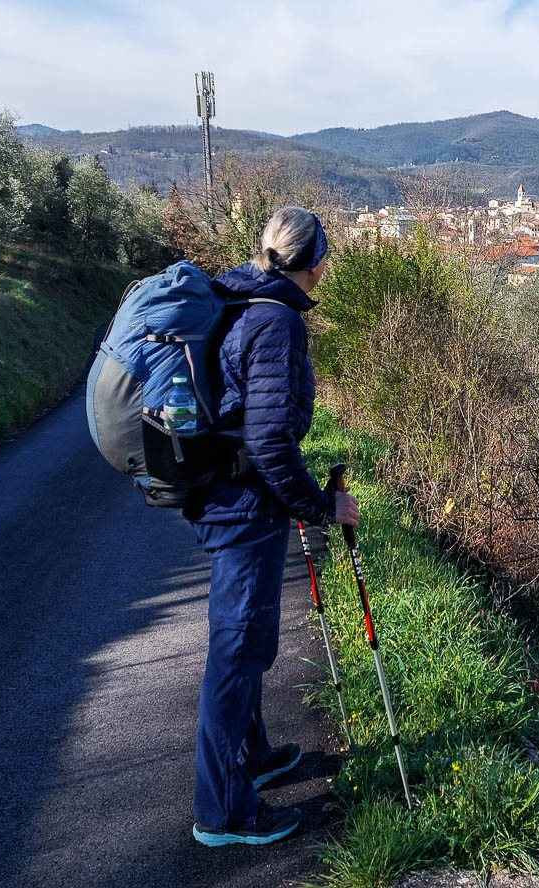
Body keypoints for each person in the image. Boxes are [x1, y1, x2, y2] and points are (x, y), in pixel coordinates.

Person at [183, 206, 359, 847]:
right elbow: (268, 442)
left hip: (227, 495)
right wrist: (318, 506)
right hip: (244, 505)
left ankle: (251, 756)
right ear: (315, 261)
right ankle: (223, 809)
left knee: (247, 640)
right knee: (236, 649)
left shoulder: (242, 295)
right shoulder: (277, 320)